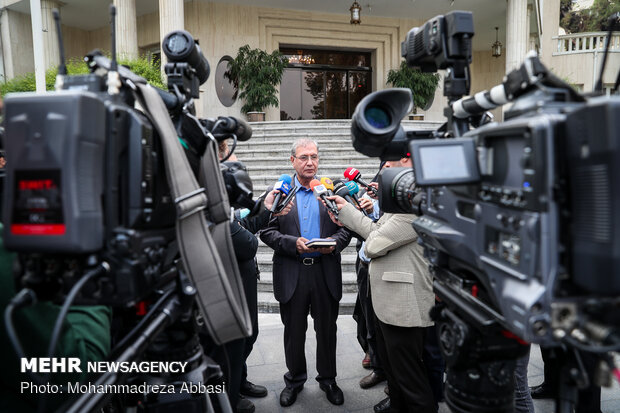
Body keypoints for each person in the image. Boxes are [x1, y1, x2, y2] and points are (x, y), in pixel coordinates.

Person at [325, 155, 437, 413]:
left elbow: (374, 244)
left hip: (405, 308)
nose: (383, 170)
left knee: (412, 380)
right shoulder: (400, 201)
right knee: (394, 371)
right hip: (389, 302)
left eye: (390, 165)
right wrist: (346, 210)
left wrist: (348, 212)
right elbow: (376, 228)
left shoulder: (415, 204)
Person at [260, 138, 352, 407]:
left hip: (325, 271)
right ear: (292, 161)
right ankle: (295, 380)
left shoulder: (330, 190)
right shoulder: (277, 193)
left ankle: (328, 380)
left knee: (327, 330)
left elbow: (347, 226)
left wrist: (335, 244)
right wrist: (292, 244)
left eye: (314, 156)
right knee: (294, 332)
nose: (310, 162)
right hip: (293, 271)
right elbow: (266, 230)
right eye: (303, 157)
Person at [205, 140, 293, 413]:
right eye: (227, 149)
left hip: (243, 278)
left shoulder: (224, 200)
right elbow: (248, 243)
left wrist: (265, 208)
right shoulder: (210, 197)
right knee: (232, 344)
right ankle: (228, 397)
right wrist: (257, 216)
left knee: (248, 335)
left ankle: (239, 382)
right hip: (227, 284)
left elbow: (246, 224)